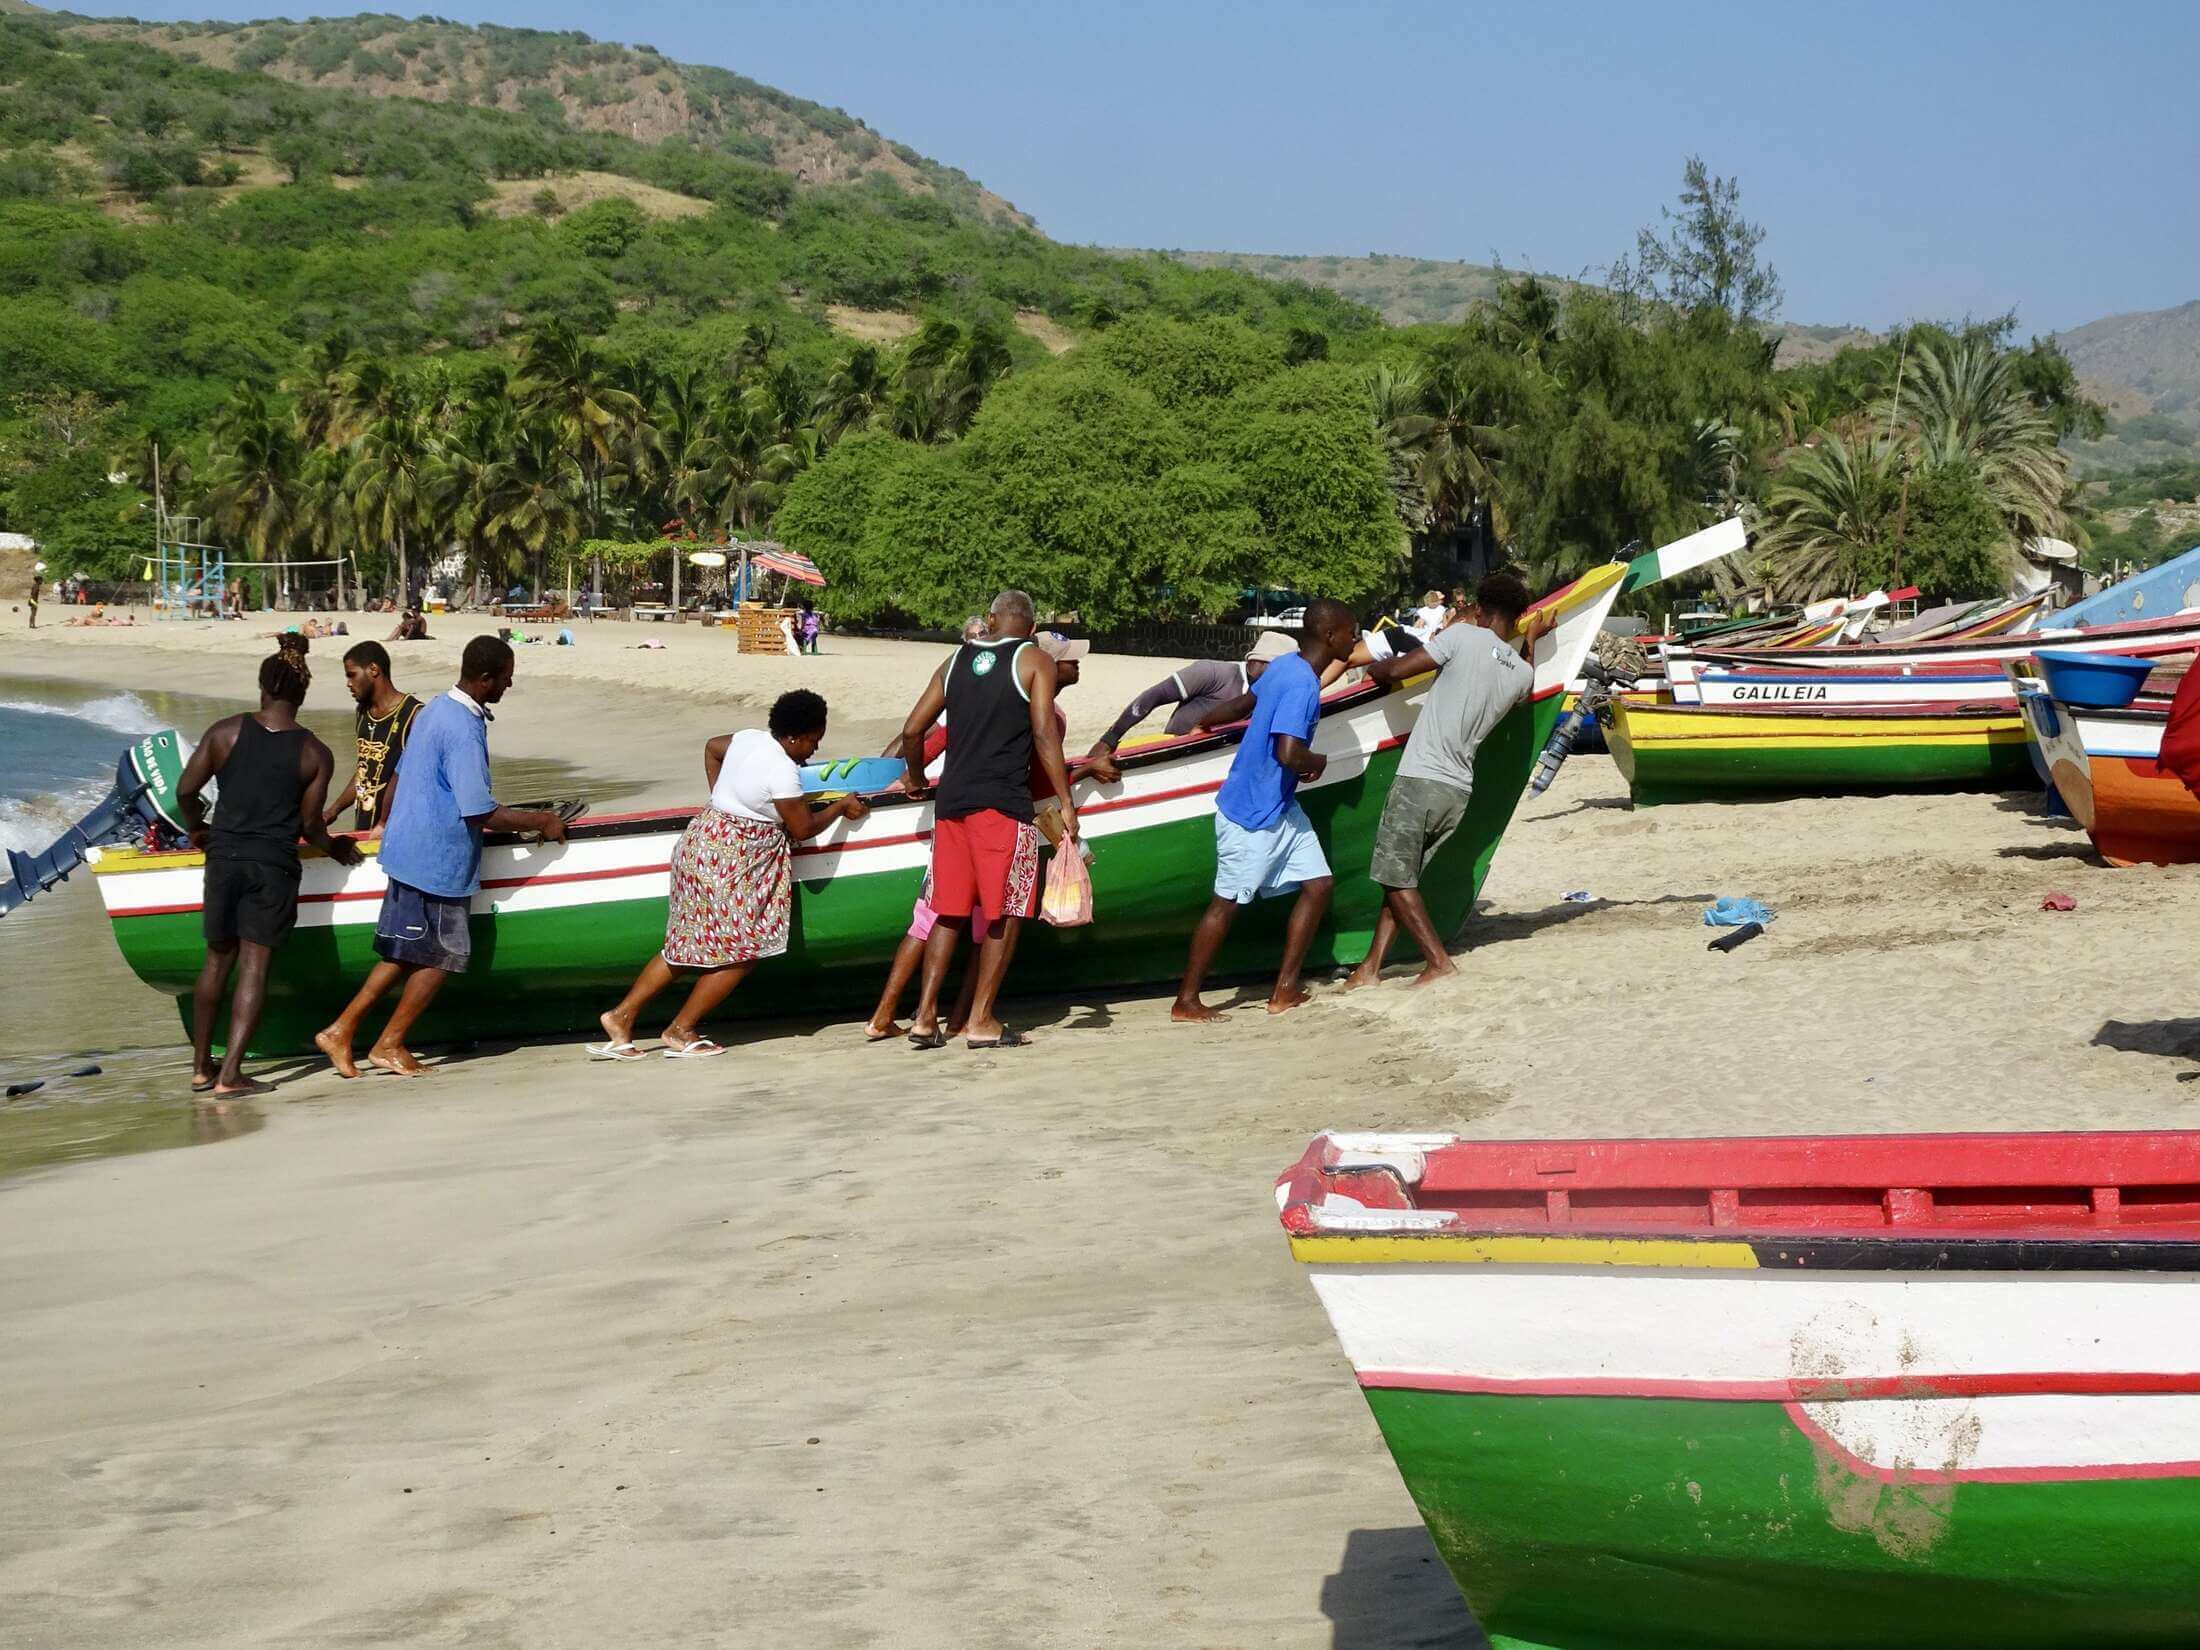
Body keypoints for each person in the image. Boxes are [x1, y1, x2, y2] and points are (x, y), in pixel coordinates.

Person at [313, 636, 568, 1078]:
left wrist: (386, 825)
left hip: (406, 849)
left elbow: (397, 776)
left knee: (403, 953)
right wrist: (542, 820)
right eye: (505, 679)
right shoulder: (463, 726)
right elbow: (479, 810)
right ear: (485, 679)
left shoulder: (433, 710)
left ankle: (341, 1030)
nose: (508, 686)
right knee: (444, 955)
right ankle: (388, 1043)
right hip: (436, 860)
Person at [593, 691, 868, 1059]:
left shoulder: (749, 738)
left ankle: (621, 1016)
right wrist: (839, 806)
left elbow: (712, 748)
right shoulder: (783, 770)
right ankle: (681, 1029)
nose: (813, 751)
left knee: (685, 943)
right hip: (735, 862)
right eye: (812, 742)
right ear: (794, 737)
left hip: (701, 842)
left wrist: (724, 799)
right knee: (744, 950)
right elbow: (802, 829)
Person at [865, 632, 1088, 1042]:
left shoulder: (957, 665)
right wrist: (1068, 800)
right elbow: (1042, 737)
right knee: (1006, 910)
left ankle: (924, 1017)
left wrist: (914, 779)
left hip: (950, 807)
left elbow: (914, 732)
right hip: (1002, 808)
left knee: (945, 913)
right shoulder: (1034, 668)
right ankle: (981, 1020)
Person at [1343, 569, 1549, 990]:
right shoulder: (1522, 673)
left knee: (1394, 877)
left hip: (1422, 776)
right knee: (1403, 880)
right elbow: (1520, 684)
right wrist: (1531, 643)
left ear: (1480, 608)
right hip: (1457, 788)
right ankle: (1370, 968)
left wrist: (1375, 671)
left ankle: (1437, 962)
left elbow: (1399, 669)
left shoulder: (1461, 638)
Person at [176, 651, 363, 1097]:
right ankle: (231, 1075)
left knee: (217, 959)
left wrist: (199, 828)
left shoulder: (226, 732)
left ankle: (203, 1067)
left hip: (223, 857)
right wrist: (334, 848)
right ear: (302, 695)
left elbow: (185, 789)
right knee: (254, 967)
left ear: (263, 687)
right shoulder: (314, 753)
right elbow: (310, 826)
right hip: (272, 865)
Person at [1171, 597, 1359, 1022]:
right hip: (1251, 815)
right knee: (1226, 905)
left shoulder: (1286, 666)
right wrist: (1320, 762)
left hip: (1280, 807)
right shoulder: (1303, 684)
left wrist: (1204, 722)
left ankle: (1285, 990)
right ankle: (1186, 1000)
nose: (1356, 638)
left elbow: (1241, 706)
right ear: (1330, 637)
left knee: (1319, 885)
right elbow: (1289, 751)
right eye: (1352, 631)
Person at [1084, 630, 1325, 781]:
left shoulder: (1271, 695)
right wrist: (1109, 739)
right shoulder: (1211, 672)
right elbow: (1152, 697)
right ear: (1265, 664)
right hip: (1173, 753)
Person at [325, 640, 424, 833]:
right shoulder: (363, 712)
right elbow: (365, 773)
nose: (348, 684)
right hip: (366, 833)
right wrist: (332, 811)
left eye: (352, 675)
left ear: (373, 669)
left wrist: (384, 823)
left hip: (396, 834)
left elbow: (414, 779)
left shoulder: (415, 715)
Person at [27, 560, 42, 629]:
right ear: (38, 580)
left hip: (32, 600)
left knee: (33, 613)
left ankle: (32, 624)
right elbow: (33, 593)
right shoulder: (36, 586)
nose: (42, 581)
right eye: (41, 580)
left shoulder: (35, 585)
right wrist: (34, 601)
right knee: (33, 613)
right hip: (33, 600)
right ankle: (32, 625)